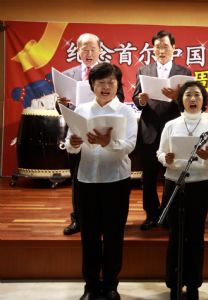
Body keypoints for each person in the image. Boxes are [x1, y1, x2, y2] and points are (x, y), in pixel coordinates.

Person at [65, 62, 137, 300]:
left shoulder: (126, 112)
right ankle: (91, 285)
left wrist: (108, 143)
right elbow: (69, 144)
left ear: (118, 85)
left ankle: (111, 285)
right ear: (92, 85)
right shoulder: (82, 110)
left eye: (111, 82)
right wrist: (72, 145)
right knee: (89, 235)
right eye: (100, 82)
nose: (106, 87)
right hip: (87, 179)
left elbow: (129, 146)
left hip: (116, 180)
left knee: (114, 235)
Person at [157, 81, 208, 300]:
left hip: (201, 183)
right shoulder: (171, 124)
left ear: (203, 100)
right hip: (175, 182)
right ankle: (174, 283)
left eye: (197, 95)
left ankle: (193, 285)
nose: (193, 99)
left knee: (196, 236)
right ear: (181, 100)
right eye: (188, 95)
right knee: (175, 235)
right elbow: (160, 153)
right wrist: (166, 158)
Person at [59, 33, 124, 236]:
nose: (88, 53)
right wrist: (61, 104)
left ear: (99, 50)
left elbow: (120, 98)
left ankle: (101, 218)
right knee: (78, 178)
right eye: (84, 49)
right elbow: (59, 107)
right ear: (77, 51)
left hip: (102, 131)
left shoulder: (109, 73)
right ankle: (78, 219)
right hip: (77, 133)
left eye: (92, 49)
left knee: (104, 177)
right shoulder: (68, 74)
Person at [132, 30, 192, 230]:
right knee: (148, 177)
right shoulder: (144, 70)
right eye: (157, 46)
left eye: (165, 46)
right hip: (149, 130)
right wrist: (140, 100)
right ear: (153, 49)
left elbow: (189, 103)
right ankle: (151, 215)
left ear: (174, 48)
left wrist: (177, 97)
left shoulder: (184, 72)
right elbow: (135, 98)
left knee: (173, 174)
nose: (161, 50)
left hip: (174, 132)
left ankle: (169, 214)